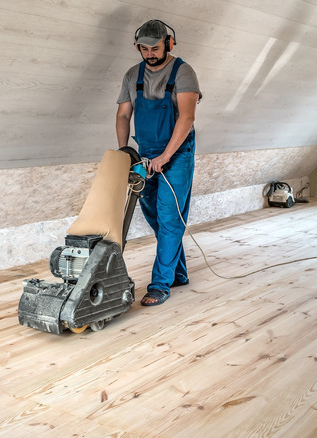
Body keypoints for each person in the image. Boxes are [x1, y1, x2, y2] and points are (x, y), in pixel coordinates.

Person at [116, 19, 202, 306]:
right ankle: (178, 274)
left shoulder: (183, 72)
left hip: (176, 154)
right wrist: (124, 152)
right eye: (144, 48)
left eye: (155, 47)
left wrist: (165, 157)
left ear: (169, 43)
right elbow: (123, 116)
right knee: (153, 215)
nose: (150, 53)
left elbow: (186, 119)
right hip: (145, 155)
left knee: (169, 218)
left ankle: (160, 285)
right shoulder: (132, 75)